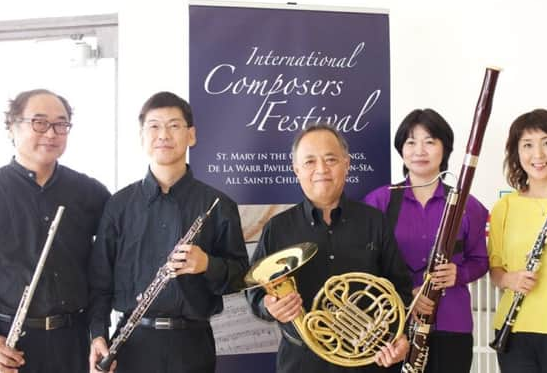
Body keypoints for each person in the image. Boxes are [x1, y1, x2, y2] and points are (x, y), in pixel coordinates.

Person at [88, 91, 248, 373]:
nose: (164, 134)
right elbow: (100, 281)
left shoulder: (218, 205)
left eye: (174, 125)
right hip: (131, 344)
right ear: (142, 137)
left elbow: (240, 278)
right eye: (154, 126)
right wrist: (98, 334)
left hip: (193, 344)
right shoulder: (119, 205)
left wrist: (207, 264)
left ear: (192, 136)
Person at [246, 123, 413, 373]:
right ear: (296, 170)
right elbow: (256, 292)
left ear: (346, 164)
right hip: (301, 362)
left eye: (331, 159)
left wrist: (397, 336)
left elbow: (399, 288)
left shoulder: (374, 221)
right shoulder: (278, 228)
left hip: (367, 361)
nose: (321, 169)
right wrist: (269, 306)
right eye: (310, 161)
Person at [0, 89, 110, 373]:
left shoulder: (90, 193)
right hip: (5, 348)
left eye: (61, 124)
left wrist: (98, 330)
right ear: (12, 127)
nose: (51, 133)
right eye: (39, 122)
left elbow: (105, 271)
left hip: (73, 343)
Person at [363, 108, 489, 373]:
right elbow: (365, 264)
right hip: (392, 324)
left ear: (445, 149)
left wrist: (459, 273)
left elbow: (480, 261)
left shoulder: (469, 206)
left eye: (429, 141)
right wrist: (407, 293)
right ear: (401, 149)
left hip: (451, 323)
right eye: (411, 142)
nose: (419, 150)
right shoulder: (379, 201)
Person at [488, 109, 547, 373]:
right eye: (527, 145)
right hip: (514, 331)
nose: (538, 155)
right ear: (517, 153)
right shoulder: (504, 207)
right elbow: (496, 271)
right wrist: (509, 280)